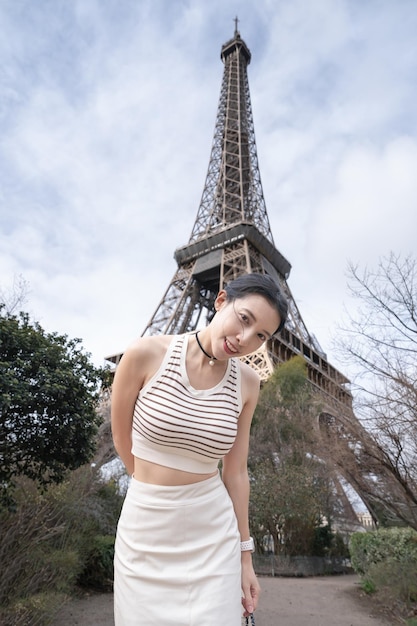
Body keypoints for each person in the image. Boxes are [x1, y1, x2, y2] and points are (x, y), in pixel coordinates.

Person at [111, 273, 288, 625]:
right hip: (145, 529)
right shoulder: (145, 354)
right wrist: (148, 485)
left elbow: (235, 473)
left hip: (213, 533)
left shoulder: (249, 384)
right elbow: (121, 437)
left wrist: (245, 559)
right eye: (244, 319)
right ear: (221, 300)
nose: (245, 339)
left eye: (260, 336)